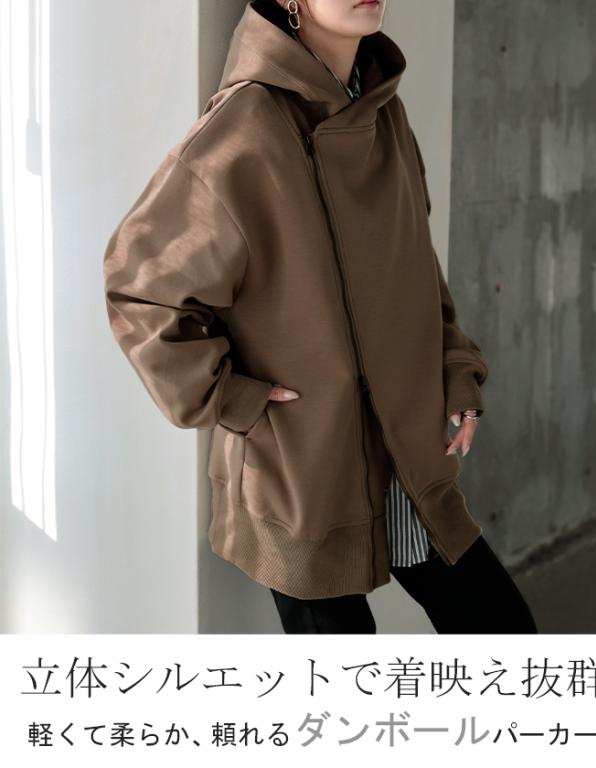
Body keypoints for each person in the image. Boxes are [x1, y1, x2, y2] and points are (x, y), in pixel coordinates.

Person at [103, 0, 538, 634]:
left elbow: (417, 269)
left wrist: (455, 367)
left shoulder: (385, 113)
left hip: (406, 454)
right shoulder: (245, 127)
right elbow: (140, 288)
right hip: (301, 473)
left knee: (503, 631)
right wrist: (231, 397)